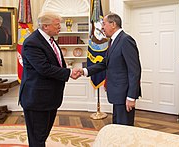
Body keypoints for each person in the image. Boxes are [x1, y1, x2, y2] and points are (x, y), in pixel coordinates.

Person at [18, 12, 80, 147]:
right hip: (37, 99)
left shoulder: (50, 39)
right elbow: (44, 68)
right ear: (45, 26)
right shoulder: (32, 43)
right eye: (57, 24)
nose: (60, 27)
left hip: (49, 98)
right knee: (37, 139)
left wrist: (67, 70)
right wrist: (68, 73)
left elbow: (56, 63)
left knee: (43, 135)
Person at [80, 13, 141, 126]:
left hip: (124, 94)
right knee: (117, 126)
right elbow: (105, 63)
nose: (102, 27)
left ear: (113, 24)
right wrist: (84, 71)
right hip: (117, 94)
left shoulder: (126, 40)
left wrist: (131, 96)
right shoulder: (113, 41)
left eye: (104, 24)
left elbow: (134, 70)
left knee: (124, 128)